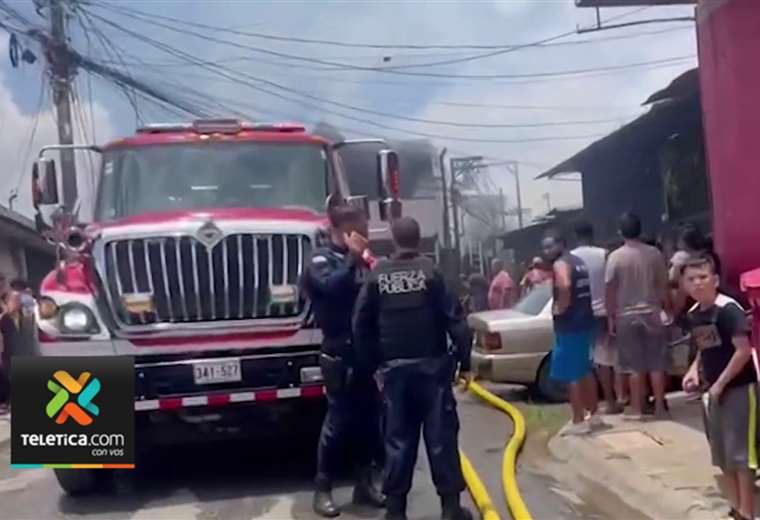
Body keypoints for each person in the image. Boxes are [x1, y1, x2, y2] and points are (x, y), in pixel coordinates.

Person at [353, 217, 473, 520]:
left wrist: (373, 366)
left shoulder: (377, 275)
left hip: (394, 374)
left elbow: (360, 325)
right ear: (419, 240)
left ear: (394, 239)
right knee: (441, 439)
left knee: (397, 441)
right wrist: (465, 363)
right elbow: (456, 320)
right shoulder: (432, 272)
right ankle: (450, 509)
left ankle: (395, 512)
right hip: (433, 370)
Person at [301, 205, 385, 518]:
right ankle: (322, 489)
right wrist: (352, 257)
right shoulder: (320, 259)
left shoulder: (364, 261)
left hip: (366, 353)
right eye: (360, 228)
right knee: (338, 425)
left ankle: (365, 485)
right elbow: (331, 289)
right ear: (345, 229)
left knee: (369, 423)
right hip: (339, 353)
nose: (366, 234)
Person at [681, 255, 756, 520]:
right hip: (713, 390)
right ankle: (736, 506)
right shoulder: (694, 315)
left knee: (741, 454)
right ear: (685, 285)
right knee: (722, 453)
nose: (698, 283)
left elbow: (743, 351)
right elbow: (705, 348)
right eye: (691, 279)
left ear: (714, 280)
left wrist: (721, 384)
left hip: (738, 388)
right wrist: (693, 371)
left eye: (703, 277)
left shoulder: (728, 310)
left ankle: (747, 511)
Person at [606, 213, 669, 420]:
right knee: (656, 362)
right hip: (652, 312)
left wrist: (610, 317)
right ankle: (659, 406)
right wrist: (666, 308)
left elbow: (610, 290)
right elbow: (663, 285)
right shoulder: (654, 254)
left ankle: (637, 408)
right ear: (640, 230)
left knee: (633, 365)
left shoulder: (615, 257)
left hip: (626, 315)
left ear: (620, 232)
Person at [541, 230, 601, 435]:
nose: (546, 251)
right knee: (584, 369)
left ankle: (577, 420)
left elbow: (565, 284)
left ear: (561, 244)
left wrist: (560, 307)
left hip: (570, 325)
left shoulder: (560, 264)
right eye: (544, 247)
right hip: (585, 321)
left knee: (571, 373)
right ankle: (594, 414)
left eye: (550, 246)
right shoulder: (578, 261)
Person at [572, 221, 622, 415]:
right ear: (592, 234)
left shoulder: (571, 258)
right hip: (603, 313)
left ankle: (588, 406)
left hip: (580, 315)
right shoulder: (604, 255)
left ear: (575, 236)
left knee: (583, 362)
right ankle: (612, 400)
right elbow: (612, 284)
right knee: (608, 361)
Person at [0, 291, 23, 412]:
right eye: (15, 300)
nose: (17, 303)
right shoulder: (3, 319)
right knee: (8, 378)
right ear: (8, 303)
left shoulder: (24, 317)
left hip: (21, 353)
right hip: (7, 355)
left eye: (19, 300)